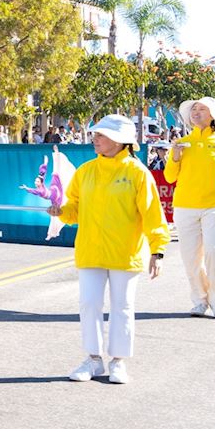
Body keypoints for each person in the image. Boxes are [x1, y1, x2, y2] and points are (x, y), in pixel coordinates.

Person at [50, 114, 170, 386]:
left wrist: (158, 251)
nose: (95, 139)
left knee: (122, 307)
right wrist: (61, 211)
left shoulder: (138, 173)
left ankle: (118, 361)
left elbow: (153, 215)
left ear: (119, 140)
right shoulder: (86, 171)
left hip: (125, 252)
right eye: (95, 134)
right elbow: (74, 210)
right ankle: (93, 359)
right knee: (89, 304)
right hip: (91, 249)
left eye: (101, 135)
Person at [165, 97, 215, 318]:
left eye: (202, 109)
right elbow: (169, 177)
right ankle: (199, 300)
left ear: (212, 115)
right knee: (191, 258)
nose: (196, 112)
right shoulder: (182, 143)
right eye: (193, 109)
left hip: (214, 206)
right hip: (185, 207)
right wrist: (175, 156)